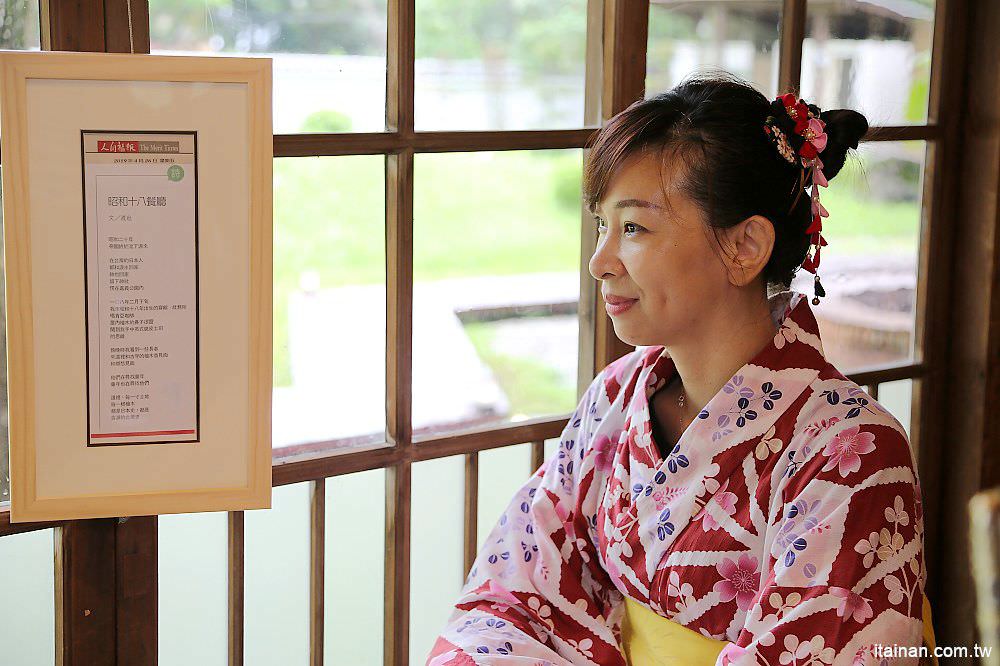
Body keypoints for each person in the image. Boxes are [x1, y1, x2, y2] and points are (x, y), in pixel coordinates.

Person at [426, 71, 927, 666]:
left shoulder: (854, 453)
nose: (599, 261)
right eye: (602, 226)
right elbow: (514, 593)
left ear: (744, 247)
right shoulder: (616, 396)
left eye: (633, 227)